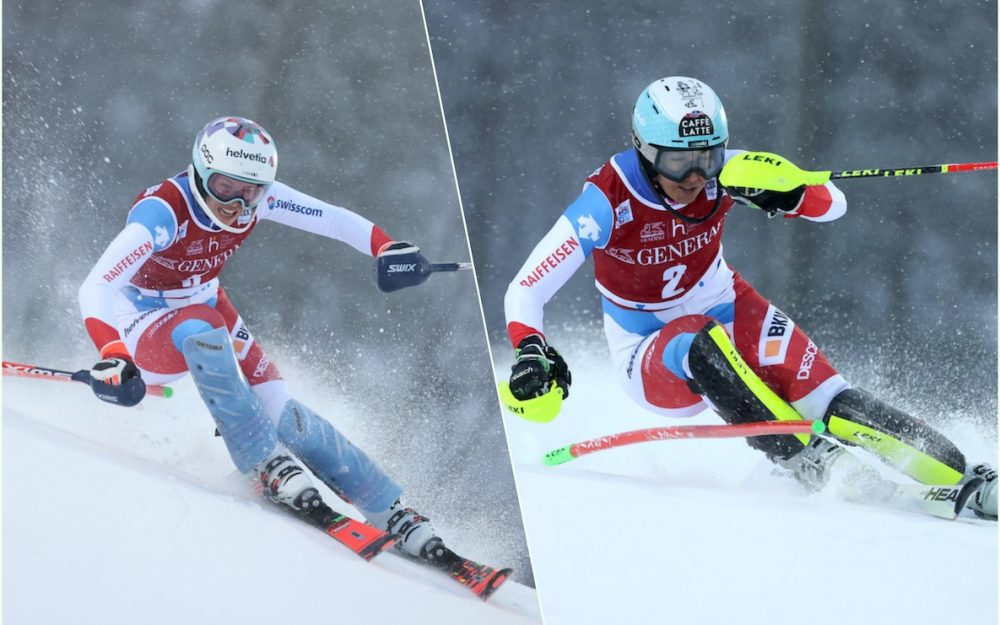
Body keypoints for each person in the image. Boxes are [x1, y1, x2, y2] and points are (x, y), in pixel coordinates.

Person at [502, 76, 997, 518]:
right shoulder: (607, 200)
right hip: (650, 353)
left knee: (830, 400)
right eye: (679, 162)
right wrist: (530, 350)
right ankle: (802, 457)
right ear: (645, 150)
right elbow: (526, 287)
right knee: (698, 338)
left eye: (708, 157)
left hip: (729, 304)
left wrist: (793, 195)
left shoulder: (728, 172)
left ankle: (964, 478)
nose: (696, 178)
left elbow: (834, 205)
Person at [78, 116, 450, 557]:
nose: (236, 205)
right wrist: (114, 353)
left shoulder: (260, 197)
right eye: (224, 188)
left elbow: (332, 219)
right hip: (145, 326)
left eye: (250, 191)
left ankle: (388, 506)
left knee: (280, 406)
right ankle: (261, 460)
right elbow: (96, 285)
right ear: (199, 172)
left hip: (207, 306)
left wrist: (387, 248)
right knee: (201, 322)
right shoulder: (164, 213)